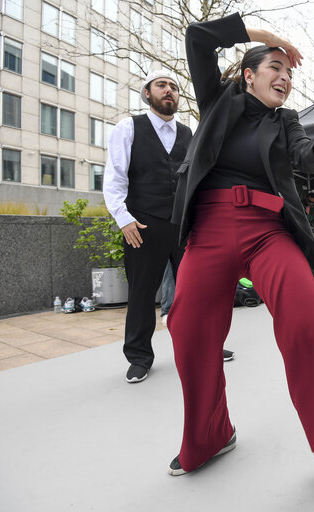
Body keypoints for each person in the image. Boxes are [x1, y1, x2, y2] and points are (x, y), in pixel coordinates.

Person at [167, 14, 314, 501]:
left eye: (290, 72)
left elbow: (305, 159)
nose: (285, 76)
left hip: (267, 230)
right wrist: (267, 37)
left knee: (307, 322)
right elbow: (198, 37)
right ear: (248, 74)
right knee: (188, 328)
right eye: (275, 67)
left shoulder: (287, 121)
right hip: (211, 228)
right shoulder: (218, 101)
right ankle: (212, 435)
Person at [103, 70, 198, 383]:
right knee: (142, 294)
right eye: (161, 85)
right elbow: (115, 176)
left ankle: (202, 347)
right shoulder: (128, 127)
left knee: (196, 292)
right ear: (147, 93)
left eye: (173, 86)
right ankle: (140, 357)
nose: (168, 90)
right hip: (143, 224)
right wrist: (124, 218)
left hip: (183, 226)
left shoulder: (189, 134)